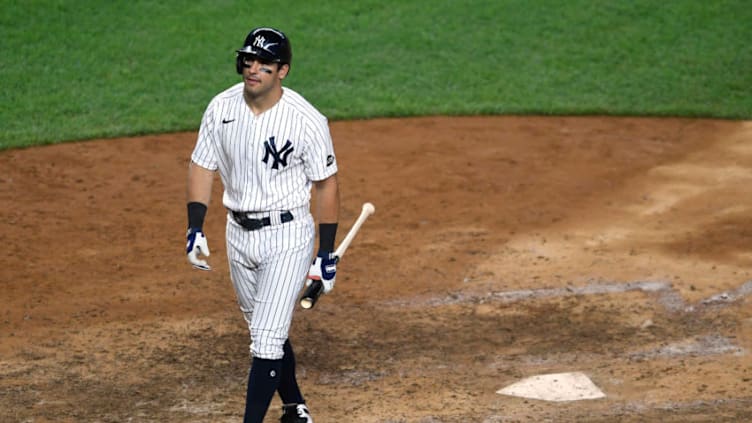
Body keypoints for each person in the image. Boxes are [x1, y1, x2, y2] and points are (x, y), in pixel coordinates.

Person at [184, 27, 340, 423]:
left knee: (266, 340)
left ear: (282, 71)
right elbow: (203, 165)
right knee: (264, 329)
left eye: (264, 64)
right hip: (237, 234)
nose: (253, 69)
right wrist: (195, 227)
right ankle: (295, 408)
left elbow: (326, 184)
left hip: (286, 236)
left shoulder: (305, 120)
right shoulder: (221, 108)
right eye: (248, 60)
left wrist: (325, 253)